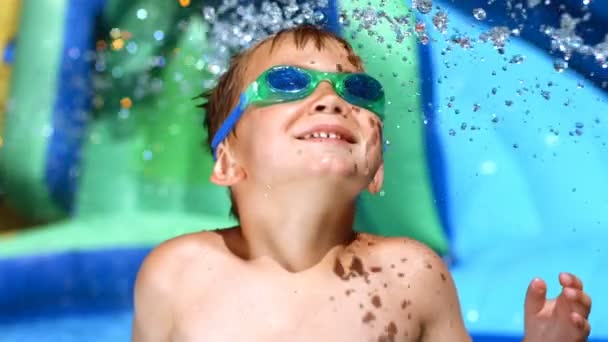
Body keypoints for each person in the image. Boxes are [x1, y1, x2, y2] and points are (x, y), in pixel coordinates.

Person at [131, 24, 592, 341]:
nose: (331, 98)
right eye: (288, 81)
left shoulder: (411, 275)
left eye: (360, 91)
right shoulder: (179, 273)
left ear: (377, 170)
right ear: (228, 160)